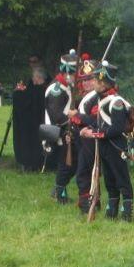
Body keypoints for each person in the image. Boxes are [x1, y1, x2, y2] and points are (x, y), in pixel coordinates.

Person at [78, 60, 134, 221]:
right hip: (104, 146)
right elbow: (100, 122)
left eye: (95, 80)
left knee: (121, 178)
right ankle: (112, 208)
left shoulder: (116, 102)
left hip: (116, 146)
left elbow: (116, 128)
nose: (92, 83)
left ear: (103, 83)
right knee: (109, 179)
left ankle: (127, 210)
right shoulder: (100, 99)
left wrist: (94, 134)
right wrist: (88, 129)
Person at [43, 50, 79, 204]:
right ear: (68, 72)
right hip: (58, 132)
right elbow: (57, 116)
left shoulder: (66, 86)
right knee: (66, 165)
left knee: (71, 164)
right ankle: (59, 193)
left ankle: (59, 191)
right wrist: (76, 118)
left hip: (66, 131)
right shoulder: (57, 89)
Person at [73, 56, 101, 213]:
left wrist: (76, 117)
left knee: (86, 171)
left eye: (90, 79)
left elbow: (94, 120)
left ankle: (88, 203)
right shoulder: (86, 97)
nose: (86, 83)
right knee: (86, 171)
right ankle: (90, 201)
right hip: (83, 140)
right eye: (84, 80)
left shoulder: (98, 97)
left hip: (92, 140)